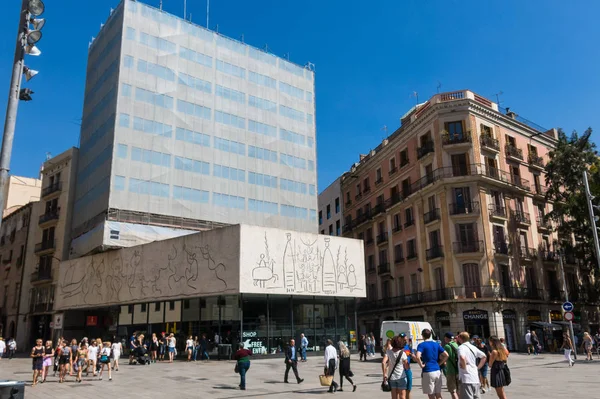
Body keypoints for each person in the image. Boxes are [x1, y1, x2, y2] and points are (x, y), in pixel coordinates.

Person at [416, 329, 448, 399]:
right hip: (437, 370)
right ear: (430, 335)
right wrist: (439, 363)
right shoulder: (436, 344)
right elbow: (446, 355)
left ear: (422, 336)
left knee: (431, 395)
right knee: (438, 394)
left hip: (428, 371)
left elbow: (418, 356)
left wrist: (421, 365)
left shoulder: (421, 345)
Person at [457, 332, 486, 399]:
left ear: (461, 338)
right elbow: (484, 356)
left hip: (466, 378)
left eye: (458, 336)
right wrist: (477, 368)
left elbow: (462, 357)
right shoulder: (473, 347)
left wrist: (464, 367)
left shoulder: (461, 347)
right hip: (475, 377)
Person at [442, 332, 459, 399]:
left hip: (451, 370)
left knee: (452, 391)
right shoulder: (456, 345)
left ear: (446, 338)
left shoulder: (447, 346)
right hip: (458, 370)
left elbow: (443, 356)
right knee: (458, 390)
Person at [401, 334, 415, 399]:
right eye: (404, 339)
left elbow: (412, 356)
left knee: (408, 389)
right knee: (401, 391)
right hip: (400, 370)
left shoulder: (408, 346)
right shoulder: (397, 347)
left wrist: (414, 357)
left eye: (406, 339)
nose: (406, 340)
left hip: (408, 369)